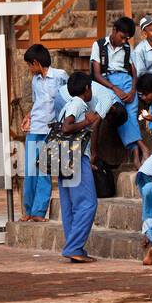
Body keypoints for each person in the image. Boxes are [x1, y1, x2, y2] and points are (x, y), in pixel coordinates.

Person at [55, 71, 102, 264]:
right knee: (88, 203)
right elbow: (67, 127)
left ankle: (74, 247)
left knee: (70, 205)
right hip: (74, 157)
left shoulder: (66, 105)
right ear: (87, 89)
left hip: (64, 156)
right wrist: (87, 122)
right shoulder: (78, 104)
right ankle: (74, 247)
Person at [20, 44, 66, 222]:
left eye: (29, 66)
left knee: (44, 171)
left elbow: (68, 99)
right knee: (30, 170)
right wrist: (28, 116)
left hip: (52, 130)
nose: (29, 70)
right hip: (35, 128)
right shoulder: (35, 81)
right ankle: (28, 210)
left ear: (36, 62)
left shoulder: (61, 76)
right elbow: (37, 102)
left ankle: (39, 212)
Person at [89, 16, 142, 164]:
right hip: (108, 83)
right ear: (114, 30)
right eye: (122, 37)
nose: (124, 41)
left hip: (127, 82)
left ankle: (136, 152)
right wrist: (115, 89)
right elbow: (97, 74)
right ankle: (139, 148)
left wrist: (132, 90)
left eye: (127, 39)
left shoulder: (127, 48)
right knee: (120, 113)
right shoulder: (98, 45)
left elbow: (134, 72)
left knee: (131, 114)